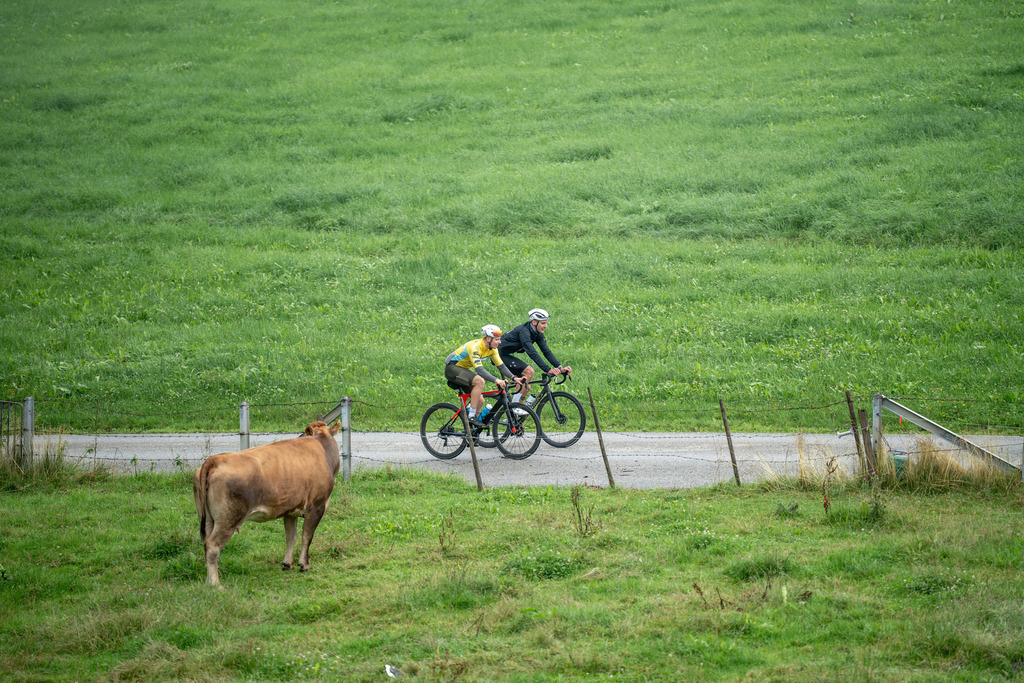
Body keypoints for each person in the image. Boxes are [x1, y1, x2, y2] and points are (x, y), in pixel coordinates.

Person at [445, 325, 524, 426]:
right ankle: (471, 416)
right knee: (479, 381)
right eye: (497, 339)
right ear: (488, 339)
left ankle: (471, 430)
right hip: (452, 368)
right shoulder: (475, 347)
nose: (500, 342)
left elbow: (501, 366)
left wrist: (514, 378)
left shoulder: (492, 349)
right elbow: (480, 370)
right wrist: (497, 380)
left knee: (480, 400)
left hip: (463, 370)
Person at [497, 308, 572, 408]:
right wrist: (548, 369)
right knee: (529, 372)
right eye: (543, 323)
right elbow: (532, 353)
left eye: (546, 323)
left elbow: (546, 351)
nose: (546, 326)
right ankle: (513, 408)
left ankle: (514, 416)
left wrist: (559, 367)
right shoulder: (524, 331)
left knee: (526, 386)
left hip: (506, 354)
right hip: (498, 355)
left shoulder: (537, 333)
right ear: (534, 322)